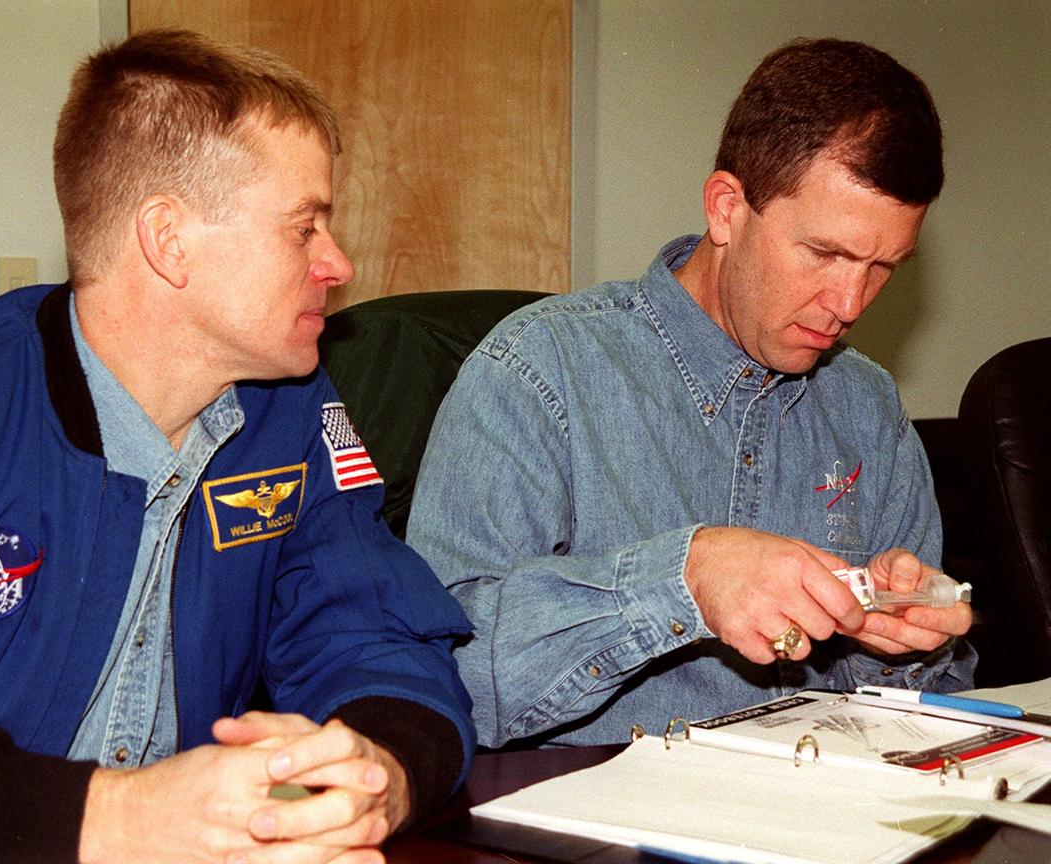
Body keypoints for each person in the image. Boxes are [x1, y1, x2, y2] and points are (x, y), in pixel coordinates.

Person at [0, 30, 475, 864]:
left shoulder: (290, 418)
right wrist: (114, 820)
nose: (339, 262)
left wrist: (371, 777)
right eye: (304, 227)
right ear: (168, 241)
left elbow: (375, 634)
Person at [406, 38, 975, 749]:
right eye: (825, 253)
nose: (850, 301)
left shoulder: (867, 406)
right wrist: (683, 579)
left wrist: (901, 637)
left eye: (882, 266)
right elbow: (436, 678)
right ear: (726, 209)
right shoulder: (537, 369)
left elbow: (932, 713)